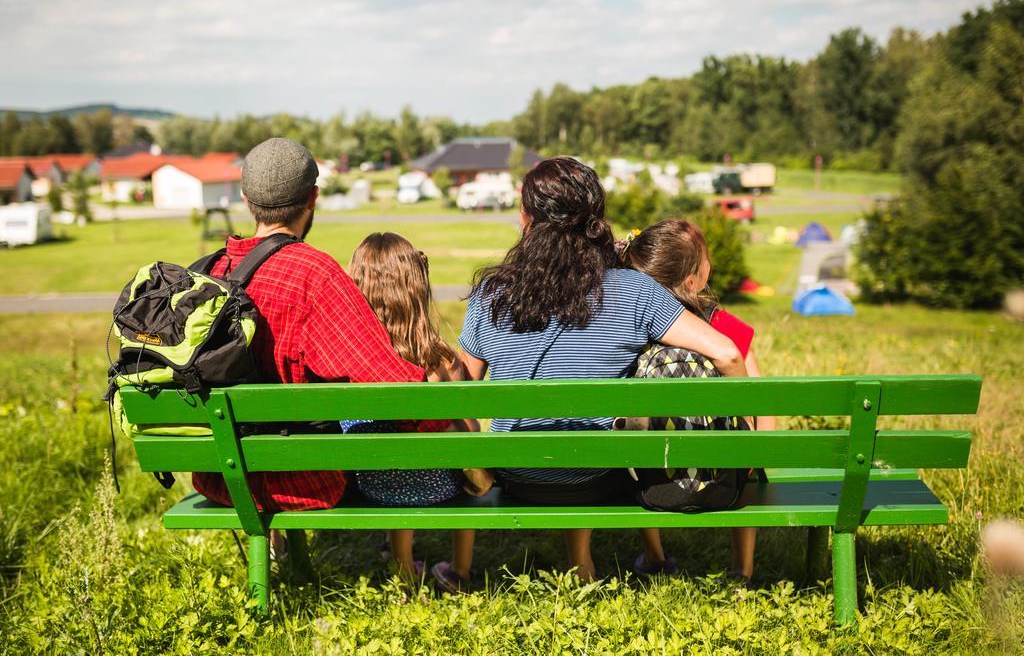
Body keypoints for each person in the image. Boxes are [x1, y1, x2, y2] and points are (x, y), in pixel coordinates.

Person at [457, 157, 747, 581]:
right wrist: (746, 434)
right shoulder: (633, 290)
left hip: (517, 475)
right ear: (596, 219)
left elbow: (461, 392)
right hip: (597, 475)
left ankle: (578, 563)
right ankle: (605, 561)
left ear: (525, 218)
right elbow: (728, 354)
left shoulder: (492, 293)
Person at [191, 138, 431, 514]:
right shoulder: (313, 274)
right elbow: (389, 383)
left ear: (244, 198)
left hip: (218, 475)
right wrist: (445, 425)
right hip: (299, 480)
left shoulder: (209, 271)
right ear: (313, 197)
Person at [620, 218, 777, 583]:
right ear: (694, 280)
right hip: (726, 479)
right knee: (743, 460)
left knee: (631, 454)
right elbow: (759, 393)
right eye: (704, 257)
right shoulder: (722, 325)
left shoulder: (637, 325)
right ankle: (742, 569)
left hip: (651, 479)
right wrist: (756, 452)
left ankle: (655, 556)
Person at [346, 232, 492, 588]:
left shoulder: (351, 359)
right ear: (417, 289)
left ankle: (403, 569)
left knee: (393, 456)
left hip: (372, 485)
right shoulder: (442, 360)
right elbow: (469, 432)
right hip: (440, 485)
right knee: (461, 455)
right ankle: (460, 570)